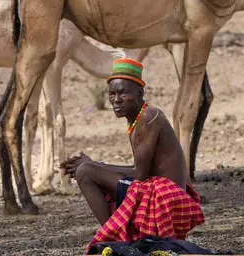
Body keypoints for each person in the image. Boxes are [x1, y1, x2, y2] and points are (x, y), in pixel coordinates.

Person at [60, 57, 204, 247]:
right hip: (159, 192)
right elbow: (141, 173)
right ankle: (121, 238)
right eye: (111, 94)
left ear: (139, 93)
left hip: (165, 198)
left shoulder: (148, 117)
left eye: (122, 93)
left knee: (86, 172)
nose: (116, 100)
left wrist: (94, 166)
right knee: (89, 170)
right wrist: (96, 166)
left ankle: (117, 240)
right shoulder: (136, 118)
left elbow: (139, 174)